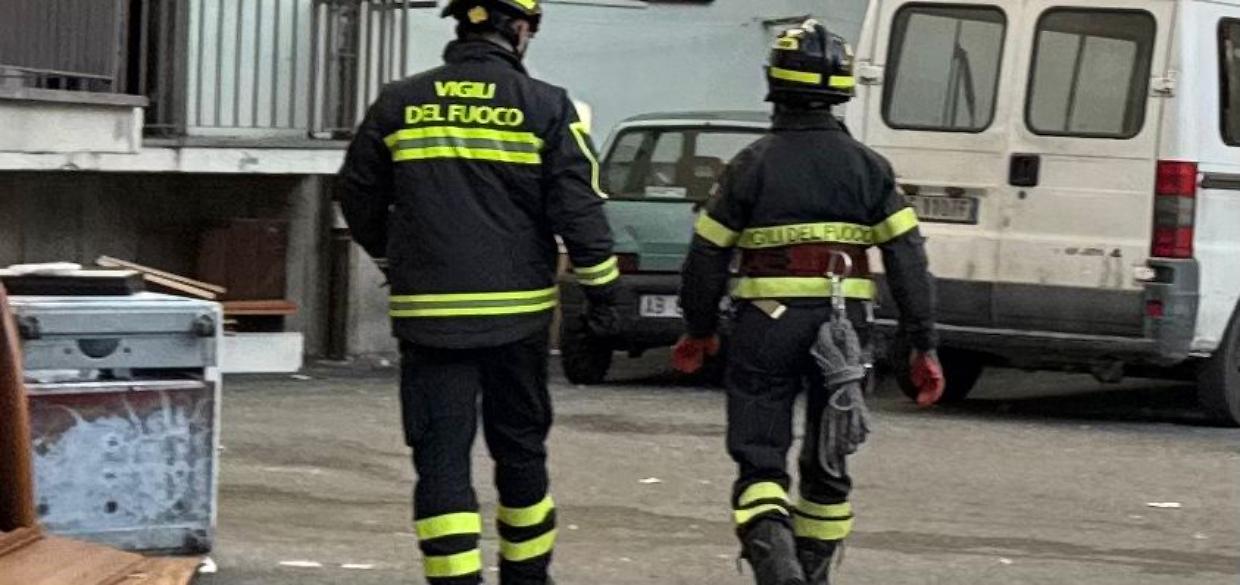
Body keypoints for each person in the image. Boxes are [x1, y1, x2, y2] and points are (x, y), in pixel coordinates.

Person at [337, 1, 621, 582]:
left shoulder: (399, 101)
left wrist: (395, 256)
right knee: (520, 451)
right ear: (517, 29)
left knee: (440, 457)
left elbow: (357, 192)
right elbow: (578, 208)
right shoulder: (546, 105)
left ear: (461, 26)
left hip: (429, 316)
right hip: (517, 318)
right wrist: (601, 293)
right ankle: (527, 576)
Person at [673, 20, 946, 585]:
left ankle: (775, 558)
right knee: (829, 460)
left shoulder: (751, 165)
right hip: (844, 332)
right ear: (842, 88)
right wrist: (922, 343)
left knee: (760, 458)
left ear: (775, 84)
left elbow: (705, 257)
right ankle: (813, 573)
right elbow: (908, 260)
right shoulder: (870, 168)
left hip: (764, 329)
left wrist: (698, 328)